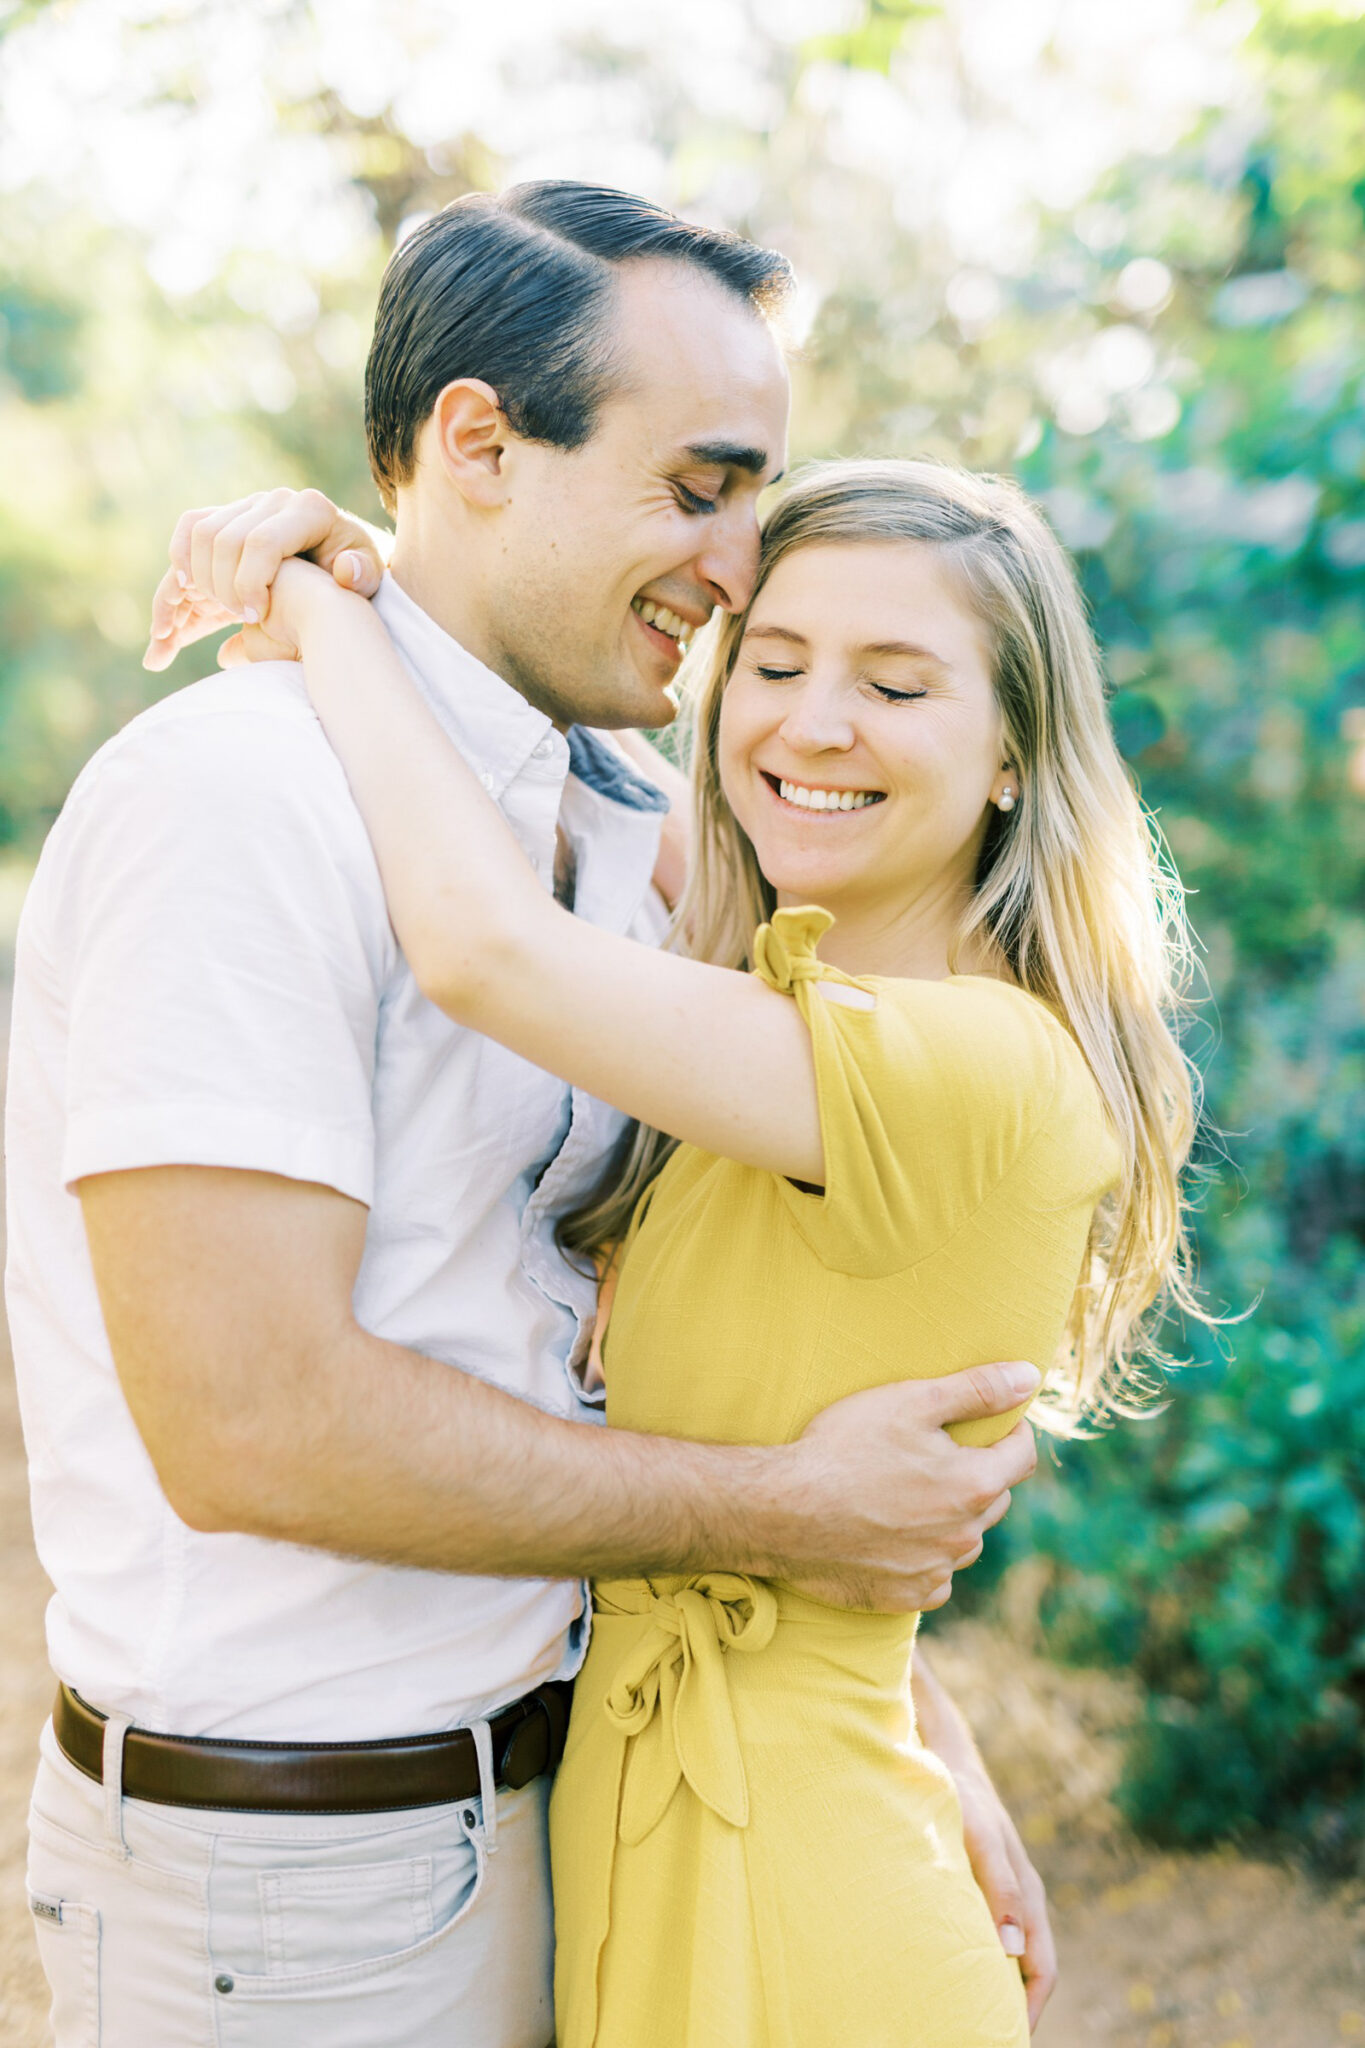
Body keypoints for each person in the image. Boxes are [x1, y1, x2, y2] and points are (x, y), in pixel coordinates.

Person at [7, 183, 1045, 2048]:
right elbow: (249, 1423)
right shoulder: (238, 804)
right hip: (298, 1884)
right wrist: (790, 1516)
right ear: (478, 442)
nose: (742, 567)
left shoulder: (644, 832)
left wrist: (900, 1715)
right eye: (698, 487)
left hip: (590, 1814)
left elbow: (622, 1347)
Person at [184, 451, 1199, 2046]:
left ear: (1013, 753)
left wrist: (328, 606)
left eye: (896, 683)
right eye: (773, 664)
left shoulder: (973, 1067)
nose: (808, 723)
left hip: (801, 1900)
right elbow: (609, 770)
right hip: (667, 1833)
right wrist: (416, 568)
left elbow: (484, 946)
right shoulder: (781, 997)